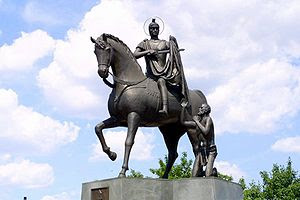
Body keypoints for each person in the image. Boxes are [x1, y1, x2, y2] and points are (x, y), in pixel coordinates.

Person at [134, 18, 189, 115]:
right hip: (150, 74)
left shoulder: (164, 43)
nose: (154, 30)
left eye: (156, 28)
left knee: (161, 81)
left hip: (163, 74)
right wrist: (147, 51)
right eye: (152, 29)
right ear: (149, 30)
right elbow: (135, 55)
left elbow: (174, 52)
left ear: (159, 30)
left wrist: (174, 44)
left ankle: (165, 107)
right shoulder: (145, 43)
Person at [181, 103, 217, 177]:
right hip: (201, 151)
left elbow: (206, 131)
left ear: (205, 110)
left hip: (211, 150)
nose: (199, 109)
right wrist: (183, 108)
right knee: (194, 176)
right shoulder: (198, 123)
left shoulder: (208, 119)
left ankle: (213, 172)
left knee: (208, 175)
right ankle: (202, 173)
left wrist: (196, 121)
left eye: (201, 108)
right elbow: (183, 122)